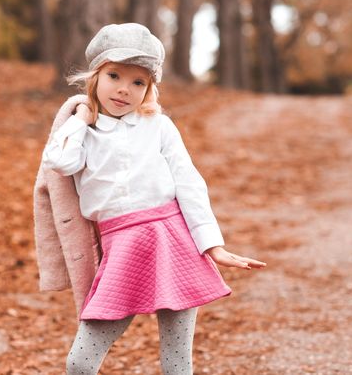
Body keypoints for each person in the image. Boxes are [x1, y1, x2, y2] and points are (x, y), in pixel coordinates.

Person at [38, 23, 266, 374]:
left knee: (177, 363)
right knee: (80, 362)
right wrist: (80, 118)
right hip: (122, 248)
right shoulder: (84, 133)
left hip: (173, 242)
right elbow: (60, 161)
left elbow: (189, 183)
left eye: (138, 82)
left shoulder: (158, 125)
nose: (124, 89)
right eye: (114, 75)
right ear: (95, 76)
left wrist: (212, 245)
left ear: (149, 89)